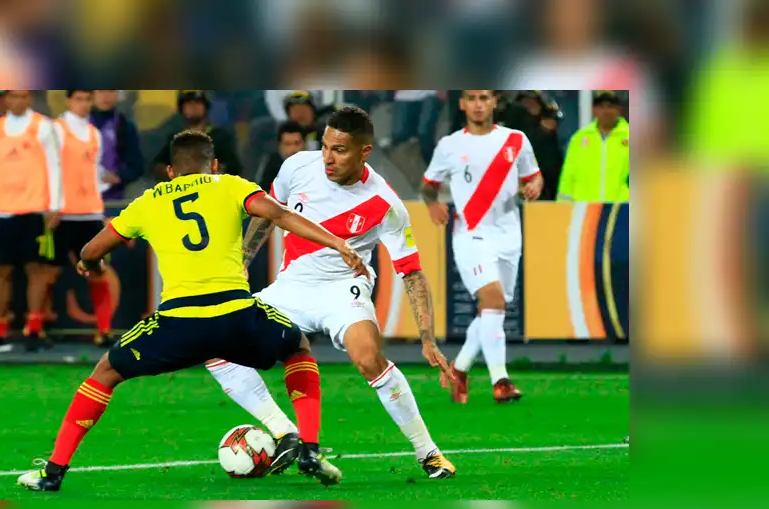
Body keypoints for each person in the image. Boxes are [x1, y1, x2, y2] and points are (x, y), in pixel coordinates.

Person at [17, 130, 368, 492]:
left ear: (170, 171)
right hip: (236, 316)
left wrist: (92, 268)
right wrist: (337, 243)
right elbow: (278, 215)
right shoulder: (230, 185)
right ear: (214, 165)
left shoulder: (149, 201)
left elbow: (92, 251)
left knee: (105, 373)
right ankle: (309, 448)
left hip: (179, 323)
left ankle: (53, 472)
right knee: (297, 349)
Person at [206, 106, 458, 482]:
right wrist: (241, 258)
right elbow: (268, 214)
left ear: (364, 152)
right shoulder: (297, 167)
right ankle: (284, 432)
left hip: (343, 289)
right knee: (215, 345)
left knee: (369, 357)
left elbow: (412, 273)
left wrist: (427, 337)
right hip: (290, 287)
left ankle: (429, 453)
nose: (327, 157)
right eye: (324, 146)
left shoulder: (385, 205)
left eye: (339, 150)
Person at [420, 90, 543, 404]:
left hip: (509, 235)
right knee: (493, 300)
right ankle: (500, 380)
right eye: (471, 98)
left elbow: (534, 175)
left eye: (484, 97)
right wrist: (432, 204)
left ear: (494, 102)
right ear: (462, 104)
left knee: (493, 310)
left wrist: (534, 186)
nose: (477, 104)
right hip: (470, 235)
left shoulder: (516, 140)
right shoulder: (449, 145)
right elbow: (428, 184)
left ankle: (459, 369)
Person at [0, 90, 62, 352]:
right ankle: (1, 331)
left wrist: (54, 205)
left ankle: (33, 329)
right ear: (6, 99)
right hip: (3, 210)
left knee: (35, 271)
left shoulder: (43, 126)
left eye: (23, 96)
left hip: (34, 208)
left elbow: (54, 166)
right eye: (13, 96)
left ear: (29, 99)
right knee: (1, 272)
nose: (18, 101)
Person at [49, 90, 118, 346]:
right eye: (78, 99)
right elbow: (49, 167)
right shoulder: (55, 129)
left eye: (87, 99)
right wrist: (53, 204)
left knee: (98, 268)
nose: (83, 104)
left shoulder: (94, 134)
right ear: (68, 101)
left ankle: (104, 329)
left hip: (89, 212)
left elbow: (95, 171)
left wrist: (99, 203)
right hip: (62, 212)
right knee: (48, 272)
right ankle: (37, 326)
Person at [151, 91, 243, 180]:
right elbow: (157, 166)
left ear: (205, 106)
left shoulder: (220, 136)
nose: (193, 107)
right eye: (188, 103)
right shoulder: (175, 138)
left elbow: (233, 167)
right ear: (181, 108)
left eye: (198, 102)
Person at [557, 91, 630, 202]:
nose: (606, 111)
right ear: (594, 110)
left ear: (619, 110)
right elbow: (568, 175)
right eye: (601, 106)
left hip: (621, 209)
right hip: (584, 210)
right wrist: (562, 206)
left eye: (610, 106)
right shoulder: (579, 138)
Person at [89, 90, 144, 203]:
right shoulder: (77, 123)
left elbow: (137, 166)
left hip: (114, 195)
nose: (106, 96)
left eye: (111, 91)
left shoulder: (125, 126)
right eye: (101, 91)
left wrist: (119, 176)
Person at [255, 121, 306, 192]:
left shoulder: (315, 162)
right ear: (280, 146)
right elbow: (264, 190)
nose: (293, 148)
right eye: (287, 144)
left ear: (304, 144)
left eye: (297, 143)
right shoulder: (271, 164)